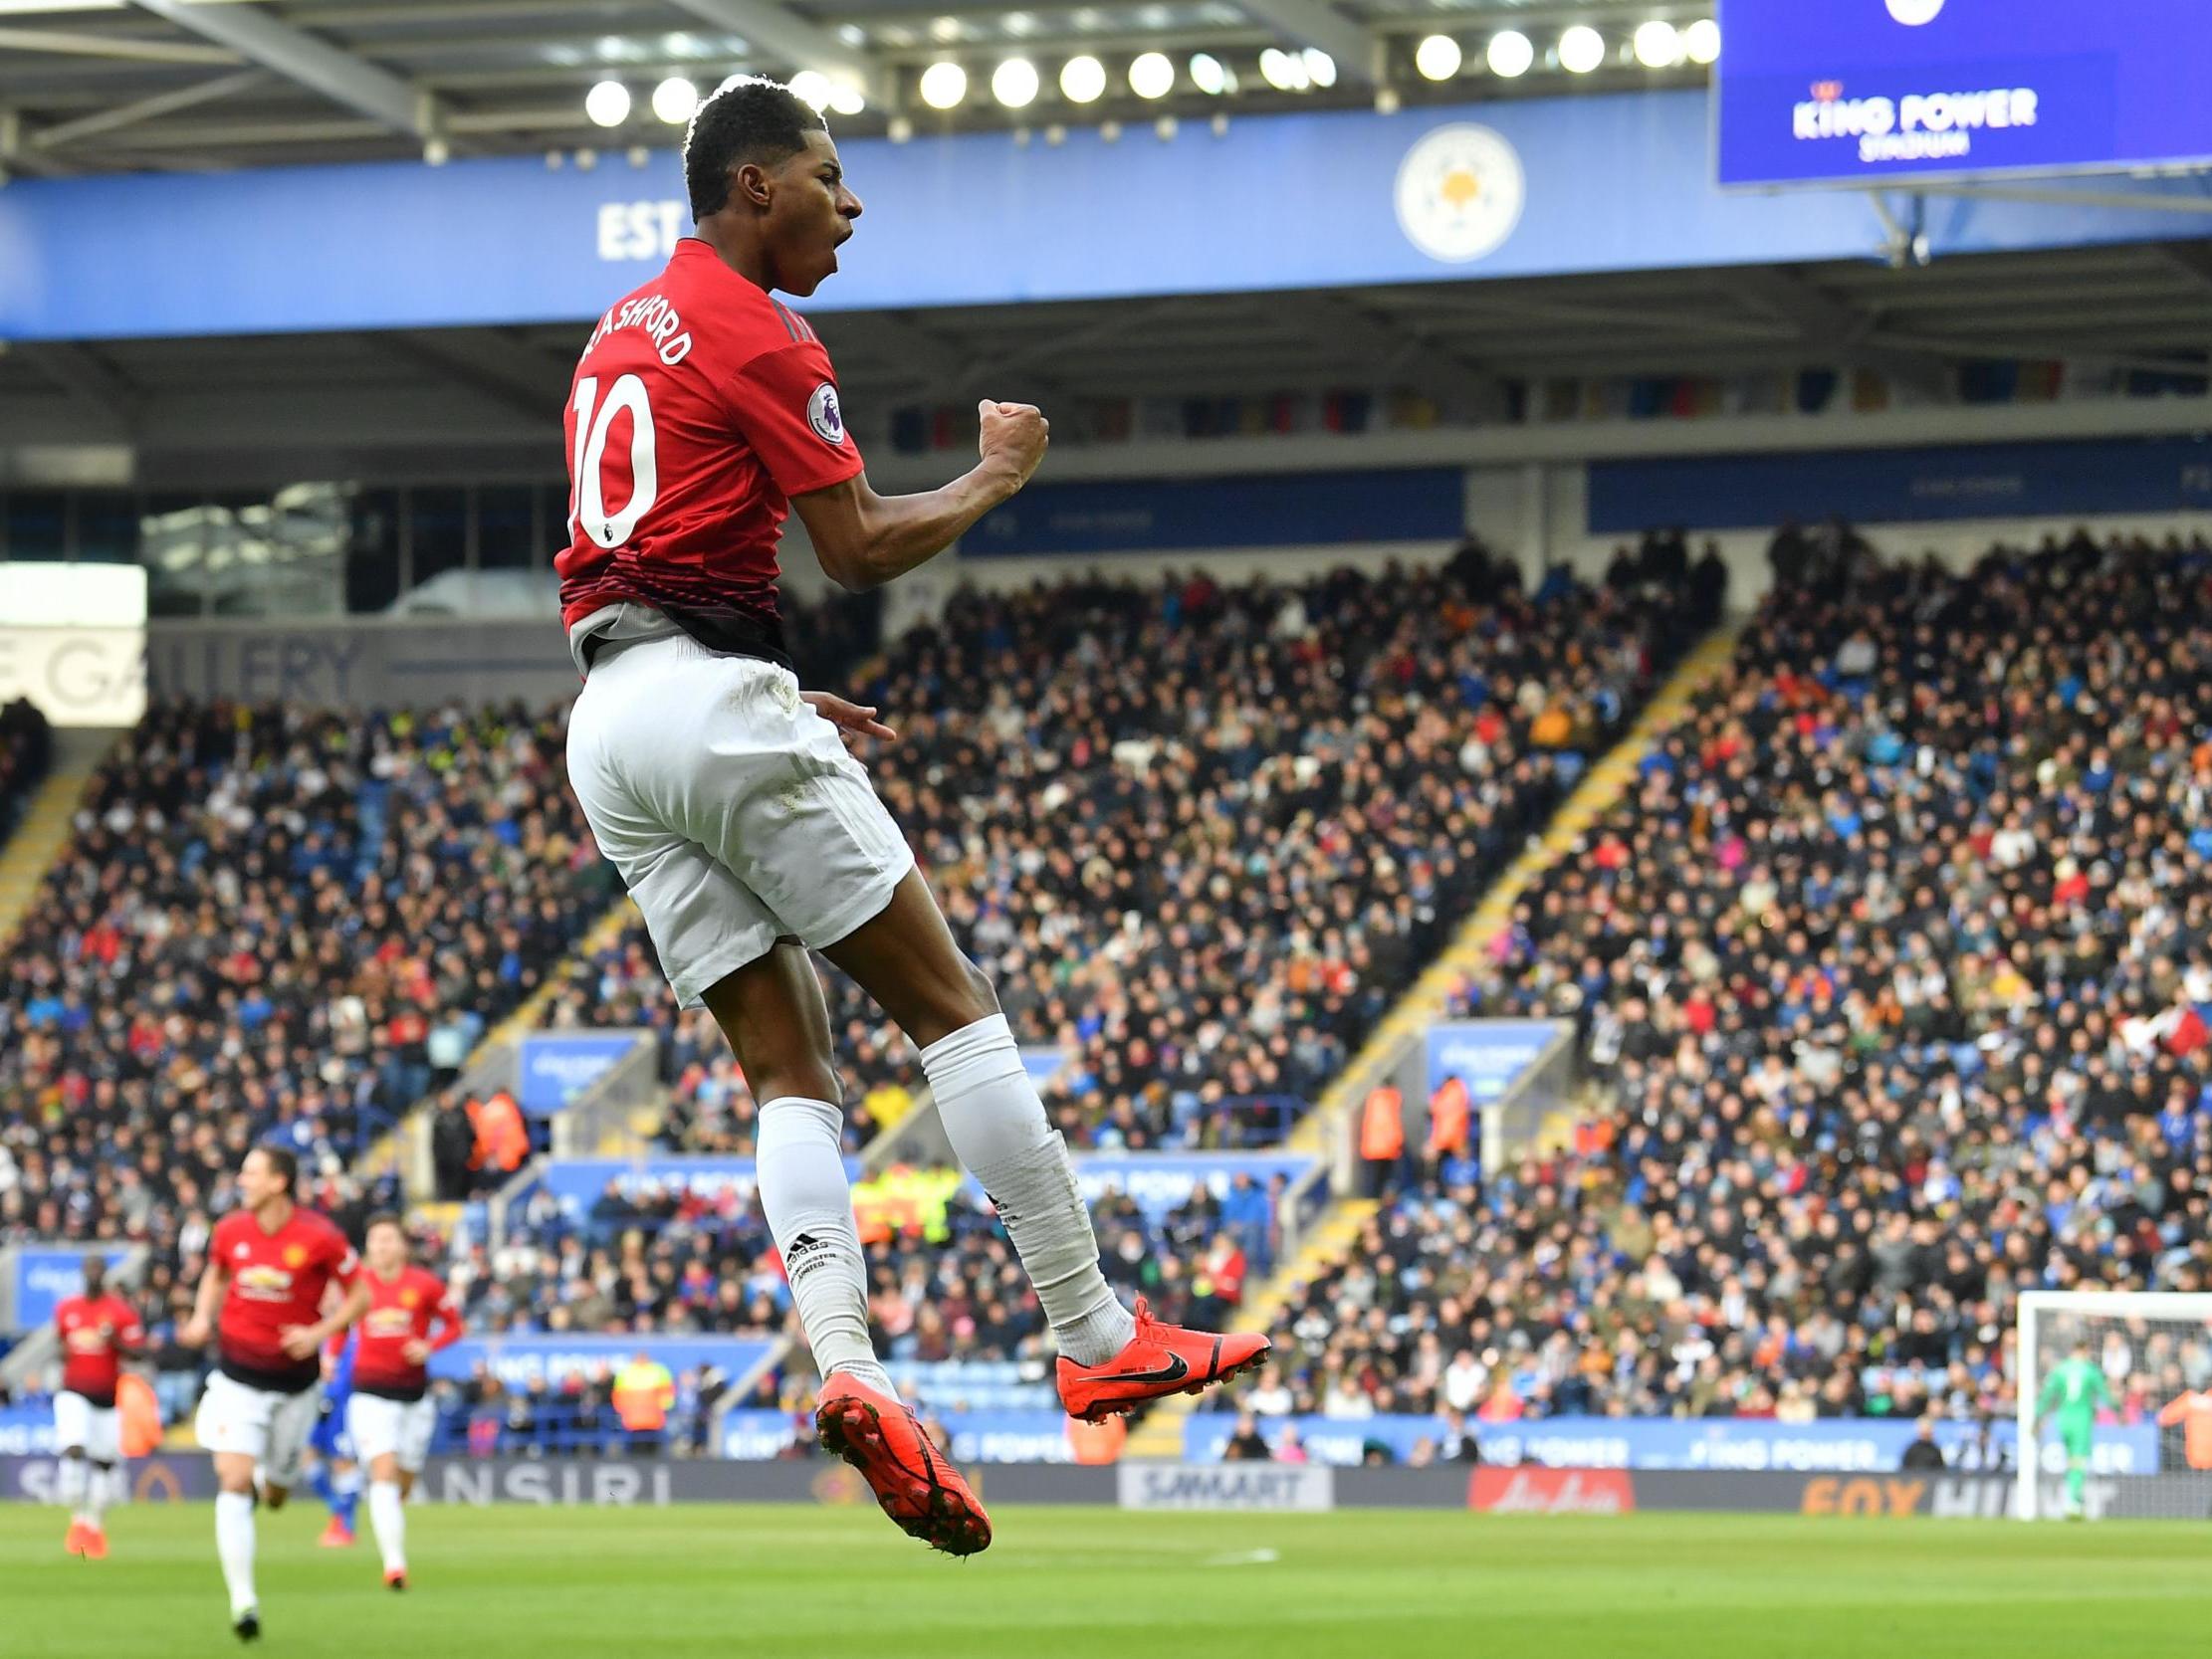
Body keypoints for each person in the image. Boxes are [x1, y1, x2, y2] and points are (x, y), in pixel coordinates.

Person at [555, 76, 1263, 1555]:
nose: (850, 203)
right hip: (705, 699)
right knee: (953, 1006)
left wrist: (769, 689)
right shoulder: (761, 324)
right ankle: (1090, 1325)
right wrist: (997, 474)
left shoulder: (621, 325)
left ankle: (854, 1369)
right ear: (756, 188)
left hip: (611, 721)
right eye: (826, 176)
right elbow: (862, 541)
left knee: (783, 1064)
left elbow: (647, 556)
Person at [180, 1144, 368, 1641]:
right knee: (234, 1479)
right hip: (236, 1377)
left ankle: (276, 1478)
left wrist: (320, 1332)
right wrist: (203, 1316)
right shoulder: (230, 1231)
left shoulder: (320, 1236)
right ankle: (244, 1601)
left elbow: (362, 1295)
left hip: (295, 1385)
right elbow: (215, 1274)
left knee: (278, 1492)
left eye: (251, 1172)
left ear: (278, 1182)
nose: (241, 1180)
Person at [345, 1214, 465, 1589]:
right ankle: (394, 1565)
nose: (381, 1247)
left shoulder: (425, 1284)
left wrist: (428, 1346)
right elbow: (339, 1324)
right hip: (368, 1393)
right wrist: (331, 1356)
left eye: (387, 1239)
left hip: (414, 1396)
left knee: (404, 1480)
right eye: (374, 1240)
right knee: (383, 1472)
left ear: (402, 1246)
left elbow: (455, 1325)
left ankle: (389, 1534)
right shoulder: (357, 1285)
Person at [52, 1253, 144, 1558]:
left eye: (98, 1268)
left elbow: (139, 1351)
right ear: (83, 1272)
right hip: (73, 1391)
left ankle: (94, 1524)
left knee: (105, 1463)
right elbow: (61, 1343)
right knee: (74, 1447)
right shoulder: (67, 1309)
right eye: (89, 1268)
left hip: (107, 1397)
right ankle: (76, 1516)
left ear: (104, 1273)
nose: (93, 1273)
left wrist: (113, 1341)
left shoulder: (119, 1312)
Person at [2037, 1338, 2113, 1521]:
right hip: (2081, 1420)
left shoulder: (2060, 1369)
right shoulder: (2090, 1370)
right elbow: (2105, 1395)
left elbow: (2047, 1396)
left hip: (2062, 1419)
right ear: (2085, 1350)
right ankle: (2073, 1502)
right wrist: (2119, 1412)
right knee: (2078, 1461)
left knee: (2071, 1460)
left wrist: (2037, 1416)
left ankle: (2074, 1499)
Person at [302, 1331, 361, 1549]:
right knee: (306, 1456)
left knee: (342, 1462)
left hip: (342, 1405)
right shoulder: (316, 1331)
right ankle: (335, 1507)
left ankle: (346, 1525)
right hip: (315, 1403)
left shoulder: (352, 1337)